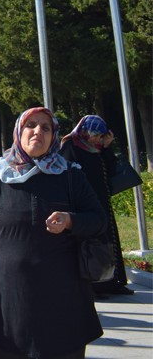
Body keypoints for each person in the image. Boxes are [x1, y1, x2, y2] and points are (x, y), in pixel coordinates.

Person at [0, 107, 106, 358]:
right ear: (18, 131)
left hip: (64, 306)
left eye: (46, 128)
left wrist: (70, 220)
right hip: (8, 307)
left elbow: (99, 221)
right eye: (31, 125)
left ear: (54, 136)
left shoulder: (69, 174)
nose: (38, 131)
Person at [59, 114, 132, 296]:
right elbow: (68, 173)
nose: (97, 139)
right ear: (85, 132)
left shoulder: (97, 149)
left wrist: (107, 148)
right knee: (91, 244)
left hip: (101, 202)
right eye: (96, 135)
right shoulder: (70, 146)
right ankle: (94, 285)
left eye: (100, 136)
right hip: (83, 205)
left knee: (109, 240)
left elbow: (111, 169)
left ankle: (113, 282)